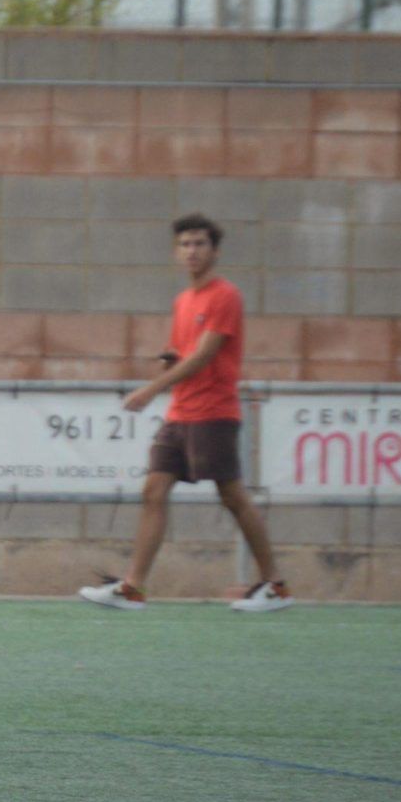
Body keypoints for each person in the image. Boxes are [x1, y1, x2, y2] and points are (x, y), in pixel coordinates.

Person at [78, 213, 292, 613]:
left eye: (199, 243)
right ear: (176, 252)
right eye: (185, 244)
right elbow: (183, 353)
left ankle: (275, 587)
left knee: (232, 495)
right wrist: (167, 363)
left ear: (215, 250)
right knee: (153, 491)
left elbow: (206, 354)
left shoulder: (225, 296)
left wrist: (150, 389)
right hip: (180, 414)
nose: (192, 251)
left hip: (213, 411)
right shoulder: (183, 301)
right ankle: (133, 588)